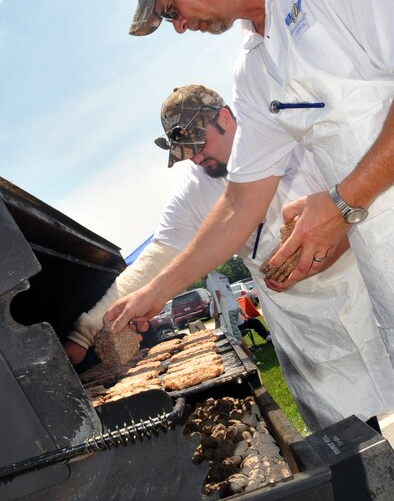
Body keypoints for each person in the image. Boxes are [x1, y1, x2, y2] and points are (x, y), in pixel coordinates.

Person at [122, 0, 394, 364]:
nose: (178, 26)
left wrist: (344, 202)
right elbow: (238, 203)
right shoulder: (254, 68)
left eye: (169, 9)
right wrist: (156, 291)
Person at [65, 84, 394, 432]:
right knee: (348, 424)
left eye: (199, 145)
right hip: (302, 317)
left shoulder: (287, 133)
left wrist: (335, 243)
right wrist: (84, 333)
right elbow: (158, 257)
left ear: (224, 118)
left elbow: (362, 191)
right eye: (185, 152)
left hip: (361, 280)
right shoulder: (196, 188)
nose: (195, 158)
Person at [206, 269, 271, 347]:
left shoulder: (213, 281)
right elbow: (216, 319)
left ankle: (268, 337)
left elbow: (219, 294)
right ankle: (247, 351)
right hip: (228, 327)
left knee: (255, 322)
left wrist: (245, 315)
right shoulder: (213, 303)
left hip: (238, 323)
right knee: (236, 333)